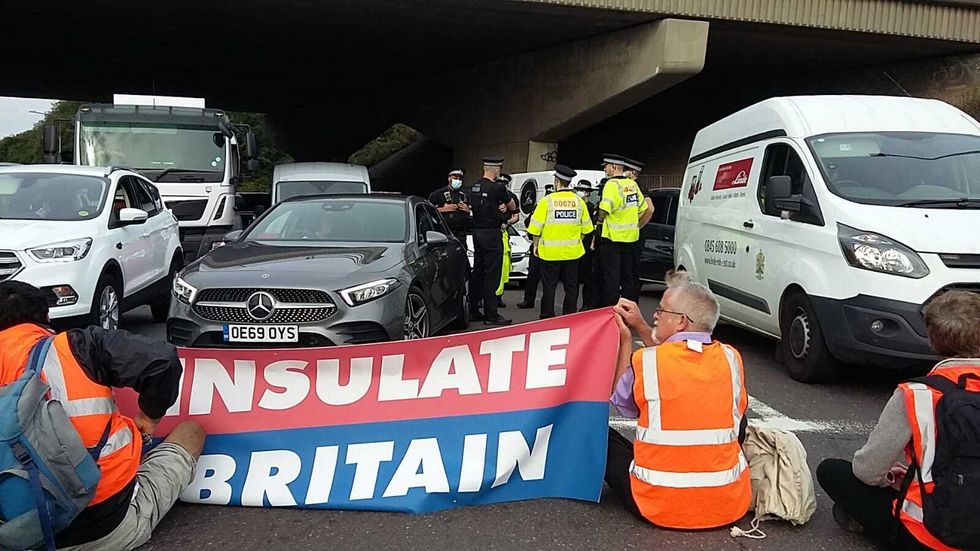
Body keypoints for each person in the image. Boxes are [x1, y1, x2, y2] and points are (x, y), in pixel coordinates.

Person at [0, 281, 205, 550]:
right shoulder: (79, 345)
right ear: (47, 317)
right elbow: (161, 361)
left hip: (17, 535)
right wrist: (148, 419)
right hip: (107, 527)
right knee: (191, 432)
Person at [817, 290, 980, 550]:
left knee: (833, 470)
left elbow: (867, 471)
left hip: (928, 537)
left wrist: (895, 479)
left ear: (932, 340)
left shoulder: (917, 393)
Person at [607, 270, 750, 529]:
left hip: (660, 505)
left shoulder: (647, 360)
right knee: (736, 414)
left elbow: (620, 402)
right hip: (728, 504)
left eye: (661, 311)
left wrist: (626, 341)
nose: (655, 315)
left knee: (595, 432)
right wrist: (642, 327)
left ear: (681, 321)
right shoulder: (731, 358)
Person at [525, 165, 593, 319]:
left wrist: (536, 245)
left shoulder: (547, 201)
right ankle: (569, 316)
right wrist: (577, 241)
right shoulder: (579, 202)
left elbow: (535, 229)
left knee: (549, 287)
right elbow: (587, 229)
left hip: (550, 254)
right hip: (573, 254)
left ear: (556, 181)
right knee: (571, 287)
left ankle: (547, 316)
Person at [468, 156, 517, 326]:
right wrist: (503, 207)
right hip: (491, 233)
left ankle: (473, 309)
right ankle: (491, 314)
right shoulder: (497, 188)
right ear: (496, 169)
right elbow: (512, 206)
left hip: (477, 232)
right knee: (492, 275)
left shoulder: (474, 187)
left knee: (478, 272)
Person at [598, 154, 647, 306]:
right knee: (628, 277)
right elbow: (643, 208)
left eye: (606, 166)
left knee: (612, 278)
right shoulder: (632, 185)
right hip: (630, 238)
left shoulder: (611, 185)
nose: (605, 169)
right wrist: (631, 221)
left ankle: (611, 313)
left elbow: (604, 209)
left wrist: (600, 220)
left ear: (613, 167)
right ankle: (629, 309)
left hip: (612, 239)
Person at [517, 183, 555, 310]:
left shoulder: (553, 207)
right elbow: (529, 223)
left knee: (548, 280)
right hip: (537, 245)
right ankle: (528, 299)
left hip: (549, 247)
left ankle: (547, 305)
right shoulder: (540, 206)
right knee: (532, 275)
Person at [494, 176, 519, 309]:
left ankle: (498, 297)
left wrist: (507, 222)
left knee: (504, 266)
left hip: (504, 232)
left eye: (504, 184)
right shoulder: (490, 194)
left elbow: (516, 216)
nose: (502, 186)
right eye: (499, 183)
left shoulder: (512, 197)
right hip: (491, 232)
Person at [428, 168, 471, 244]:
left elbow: (472, 212)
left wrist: (467, 210)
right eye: (455, 178)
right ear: (449, 179)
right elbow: (427, 210)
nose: (458, 181)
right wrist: (443, 209)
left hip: (460, 234)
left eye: (460, 179)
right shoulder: (438, 194)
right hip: (443, 232)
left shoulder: (464, 195)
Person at [574, 178, 598, 311]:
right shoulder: (575, 207)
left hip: (587, 246)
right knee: (573, 280)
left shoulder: (591, 208)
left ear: (588, 193)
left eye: (582, 190)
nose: (580, 193)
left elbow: (593, 228)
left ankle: (587, 304)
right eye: (578, 190)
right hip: (574, 245)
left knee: (588, 278)